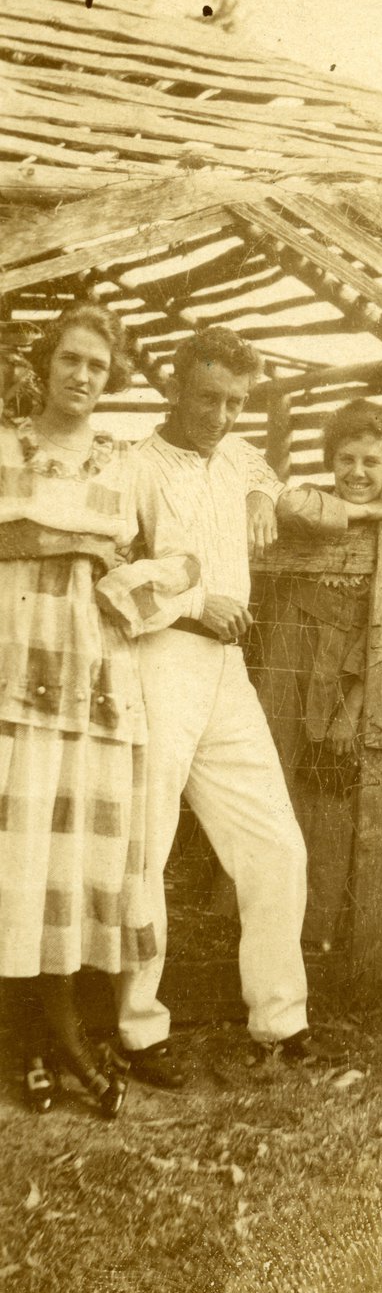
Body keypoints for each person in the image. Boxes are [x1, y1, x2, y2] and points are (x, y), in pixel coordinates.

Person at [102, 327, 341, 1087]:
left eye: (236, 401)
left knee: (275, 842)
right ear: (175, 386)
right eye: (208, 397)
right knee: (145, 847)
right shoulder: (132, 467)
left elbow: (267, 472)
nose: (221, 414)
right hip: (157, 661)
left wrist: (264, 494)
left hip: (225, 675)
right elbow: (107, 573)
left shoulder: (237, 454)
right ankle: (137, 1029)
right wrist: (195, 600)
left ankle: (281, 1018)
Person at [0, 304, 156, 1117]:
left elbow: (130, 555)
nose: (83, 375)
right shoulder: (4, 443)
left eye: (98, 364)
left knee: (61, 861)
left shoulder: (122, 463)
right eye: (71, 358)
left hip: (90, 673)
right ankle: (30, 1036)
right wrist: (73, 542)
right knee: (12, 856)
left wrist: (49, 535)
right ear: (45, 362)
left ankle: (53, 1033)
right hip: (13, 669)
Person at [253, 400, 382, 943]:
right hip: (288, 671)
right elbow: (287, 503)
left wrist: (354, 707)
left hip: (346, 683)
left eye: (372, 462)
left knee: (330, 791)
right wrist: (365, 513)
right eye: (346, 459)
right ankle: (260, 917)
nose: (357, 474)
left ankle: (319, 923)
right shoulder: (315, 508)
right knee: (273, 780)